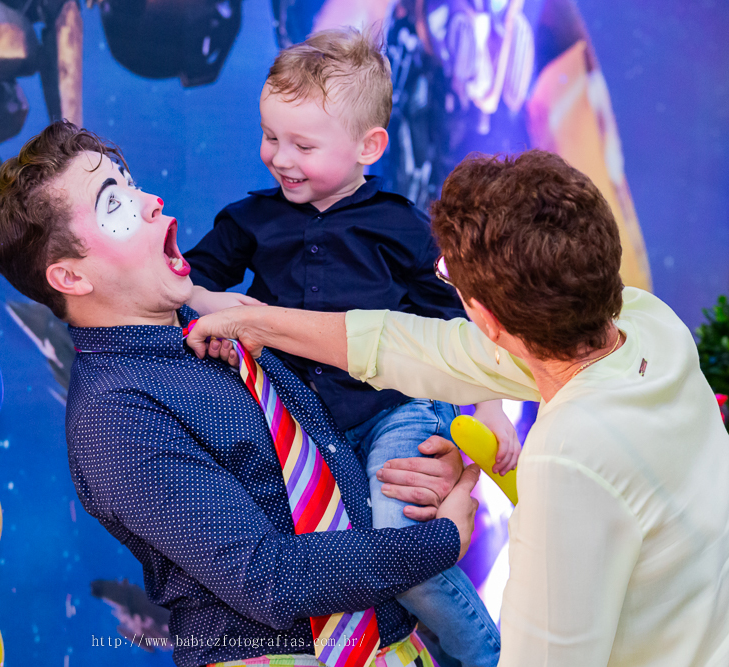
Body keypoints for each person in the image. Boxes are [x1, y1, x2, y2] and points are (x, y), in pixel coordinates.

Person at [185, 149, 729, 667]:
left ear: (487, 320)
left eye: (450, 280)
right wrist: (254, 322)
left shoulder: (567, 455)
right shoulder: (648, 323)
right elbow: (410, 345)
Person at [0, 120, 482, 667]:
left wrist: (416, 465)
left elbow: (329, 463)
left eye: (131, 183)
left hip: (392, 646)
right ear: (71, 278)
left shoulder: (223, 330)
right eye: (113, 205)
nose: (148, 202)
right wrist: (443, 539)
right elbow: (269, 577)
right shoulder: (113, 417)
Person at [185, 28, 509, 666]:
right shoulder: (251, 220)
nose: (279, 157)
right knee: (313, 557)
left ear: (369, 146)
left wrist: (490, 408)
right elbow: (187, 278)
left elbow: (465, 326)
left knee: (398, 546)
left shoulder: (404, 225)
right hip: (299, 426)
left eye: (302, 144)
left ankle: (487, 655)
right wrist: (210, 303)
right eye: (270, 137)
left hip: (392, 411)